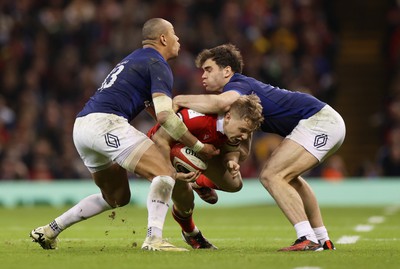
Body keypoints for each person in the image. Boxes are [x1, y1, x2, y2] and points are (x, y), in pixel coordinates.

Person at [29, 18, 219, 252]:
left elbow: (153, 110)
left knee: (116, 196)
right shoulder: (157, 63)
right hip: (106, 123)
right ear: (162, 38)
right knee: (165, 173)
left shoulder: (135, 59)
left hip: (82, 127)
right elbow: (164, 117)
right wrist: (199, 146)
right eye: (174, 34)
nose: (178, 39)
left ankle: (50, 230)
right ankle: (154, 239)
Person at [173, 44, 346, 251]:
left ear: (227, 71)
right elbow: (244, 152)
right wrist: (230, 161)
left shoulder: (238, 85)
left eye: (208, 69)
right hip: (325, 121)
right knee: (291, 179)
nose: (203, 76)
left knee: (271, 175)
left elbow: (219, 103)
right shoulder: (244, 105)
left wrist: (179, 99)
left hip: (318, 122)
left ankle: (306, 237)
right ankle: (322, 239)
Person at [148, 95, 264, 249]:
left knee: (234, 184)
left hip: (194, 153)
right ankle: (191, 234)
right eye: (243, 130)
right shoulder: (197, 119)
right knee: (185, 202)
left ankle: (198, 182)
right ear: (228, 117)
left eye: (247, 133)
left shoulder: (232, 128)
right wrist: (171, 173)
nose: (244, 136)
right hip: (162, 151)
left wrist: (231, 161)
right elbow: (159, 139)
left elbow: (232, 148)